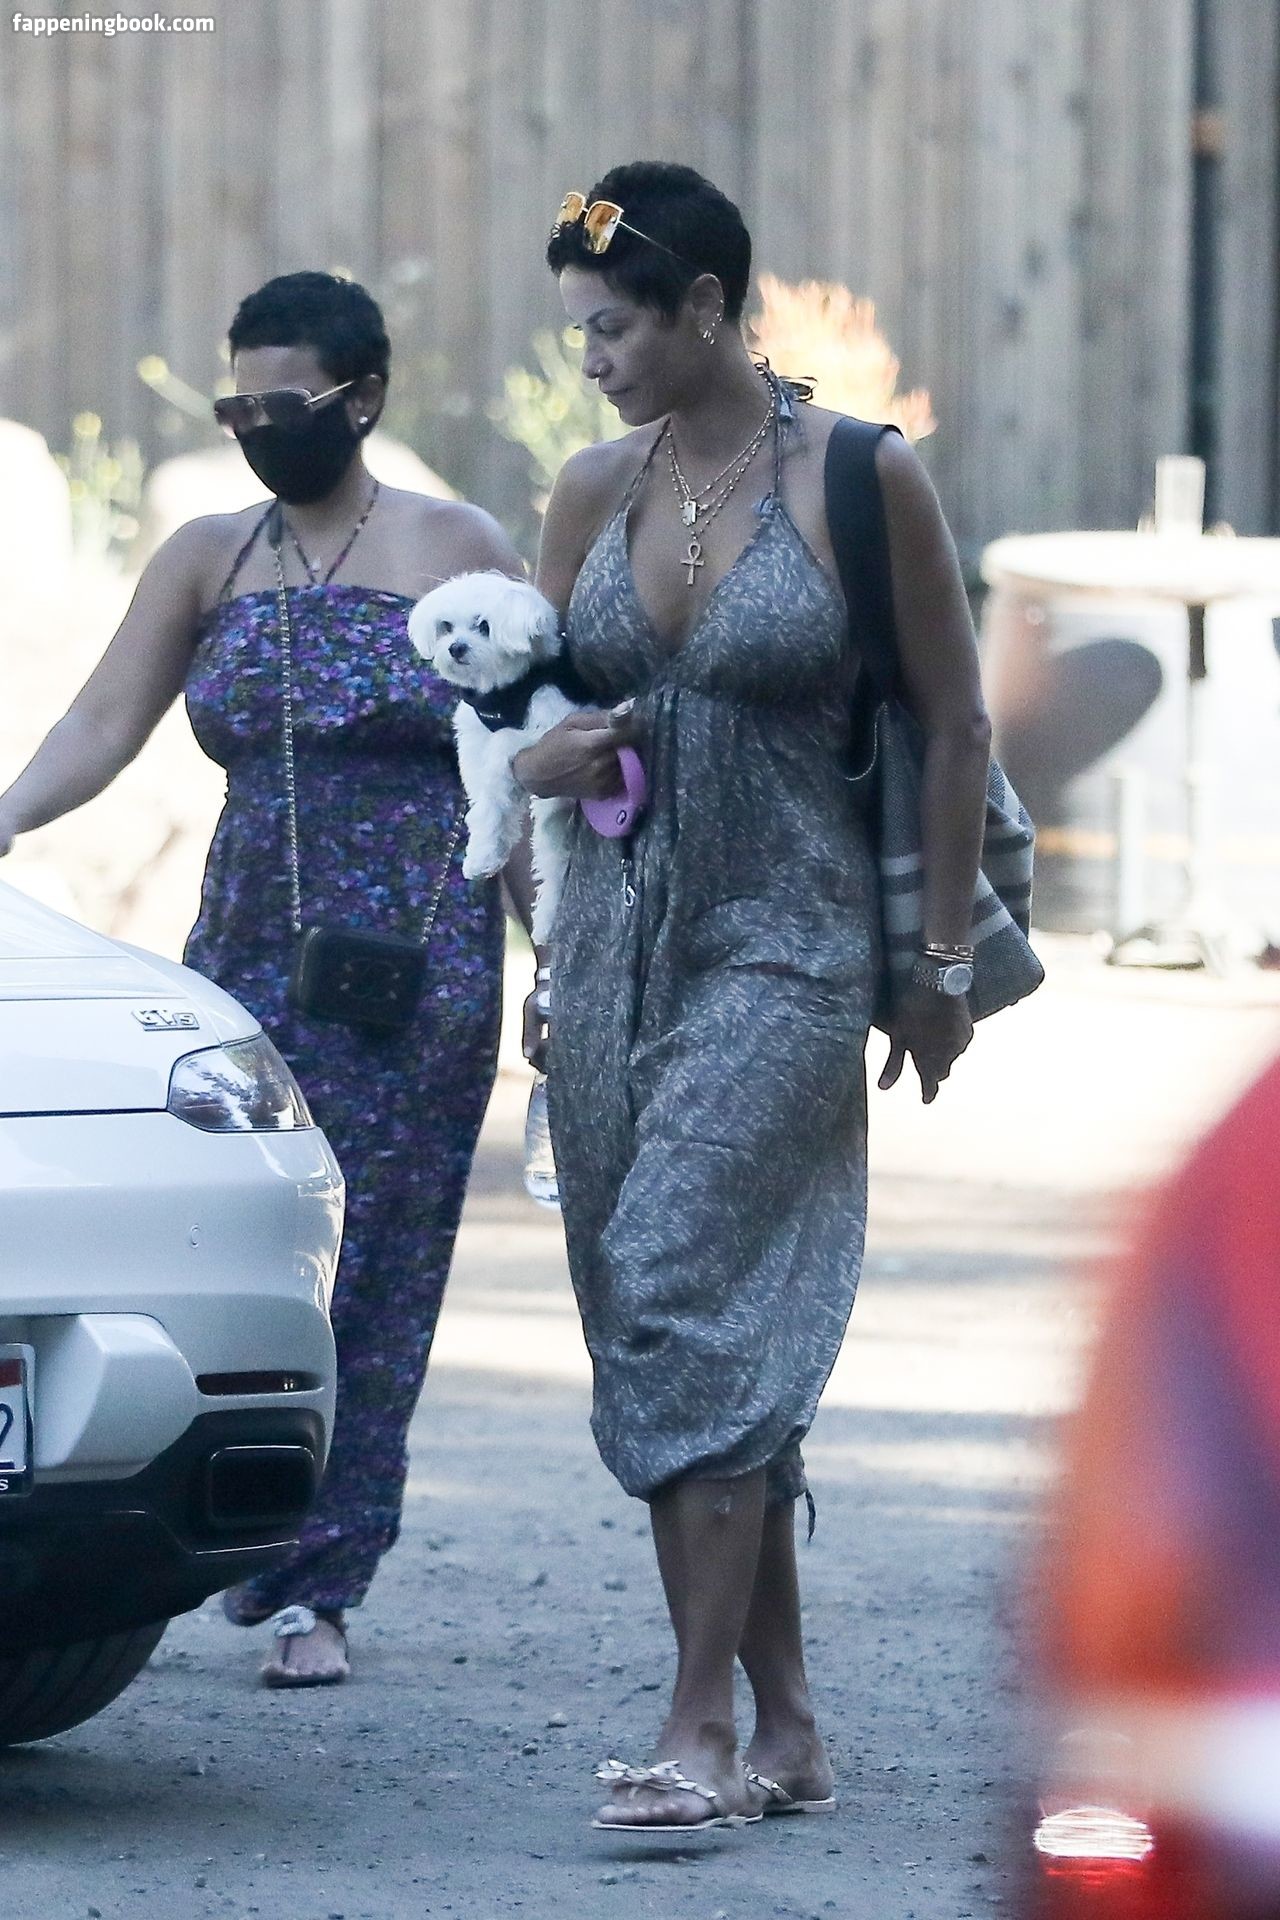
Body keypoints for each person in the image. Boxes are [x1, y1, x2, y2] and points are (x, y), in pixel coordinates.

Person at [514, 162, 992, 1830]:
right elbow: (527, 726)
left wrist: (939, 965)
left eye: (615, 328)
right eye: (580, 333)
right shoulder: (591, 487)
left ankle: (695, 1729)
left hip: (787, 944)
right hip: (608, 951)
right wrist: (543, 777)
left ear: (708, 307)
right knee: (679, 1327)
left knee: (676, 1290)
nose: (592, 360)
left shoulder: (860, 477)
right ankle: (789, 1726)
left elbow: (957, 719)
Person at [0, 271, 523, 1687]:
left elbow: (520, 758)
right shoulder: (207, 557)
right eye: (238, 407)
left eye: (285, 403)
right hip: (247, 960)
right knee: (236, 1251)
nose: (258, 429)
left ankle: (320, 1587)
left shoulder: (457, 547)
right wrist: (5, 814)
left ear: (364, 398)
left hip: (420, 964)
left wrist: (560, 964)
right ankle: (202, 1535)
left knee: (383, 1269)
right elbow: (103, 719)